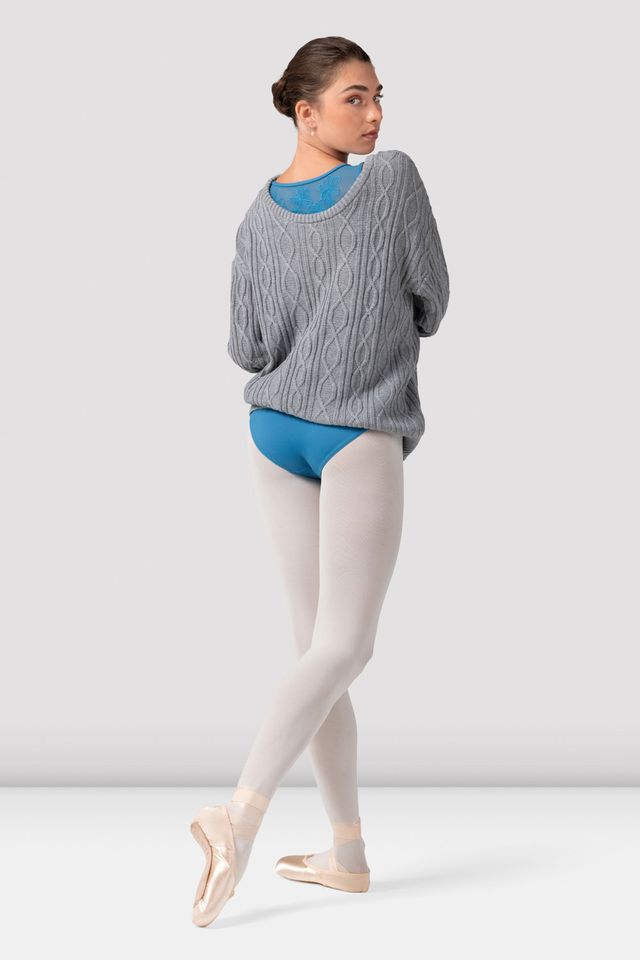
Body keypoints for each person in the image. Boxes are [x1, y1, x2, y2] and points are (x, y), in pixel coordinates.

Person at [190, 35, 450, 927]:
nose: (374, 114)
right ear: (305, 113)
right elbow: (433, 300)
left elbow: (248, 347)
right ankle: (239, 816)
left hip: (275, 434)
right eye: (353, 98)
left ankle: (347, 854)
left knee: (320, 655)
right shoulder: (394, 181)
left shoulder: (255, 217)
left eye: (378, 96)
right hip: (355, 430)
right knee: (344, 649)